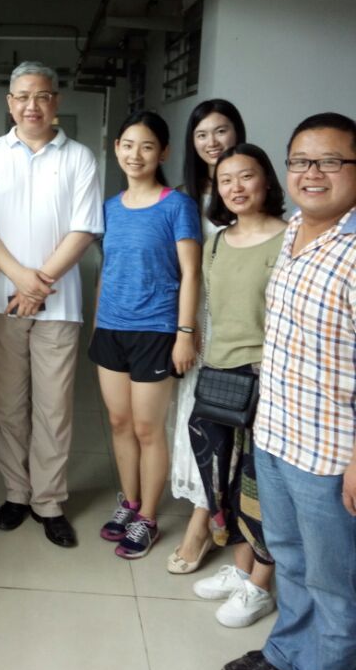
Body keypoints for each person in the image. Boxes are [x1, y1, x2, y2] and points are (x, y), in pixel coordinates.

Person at [222, 113, 356, 670]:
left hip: (331, 454)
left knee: (335, 582)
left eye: (331, 161)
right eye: (301, 161)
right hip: (277, 433)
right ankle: (289, 653)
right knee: (289, 560)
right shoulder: (296, 229)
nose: (313, 173)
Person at [0, 61, 102, 548]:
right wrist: (22, 279)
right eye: (22, 96)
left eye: (42, 96)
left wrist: (38, 285)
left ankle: (49, 501)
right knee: (9, 405)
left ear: (56, 101)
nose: (32, 105)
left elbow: (84, 228)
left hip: (60, 306)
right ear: (10, 102)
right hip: (1, 301)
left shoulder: (79, 157)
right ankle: (17, 494)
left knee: (54, 408)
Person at [90, 110, 201, 559]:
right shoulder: (110, 208)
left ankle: (149, 518)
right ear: (116, 148)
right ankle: (130, 503)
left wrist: (185, 333)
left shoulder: (177, 205)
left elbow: (191, 273)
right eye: (129, 145)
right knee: (119, 423)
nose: (136, 155)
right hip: (111, 328)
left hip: (156, 330)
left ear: (163, 153)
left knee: (147, 427)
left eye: (148, 146)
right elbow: (107, 269)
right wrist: (97, 322)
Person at [188, 144, 285, 626]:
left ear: (266, 180)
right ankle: (242, 569)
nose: (236, 187)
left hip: (267, 378)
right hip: (220, 375)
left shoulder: (290, 239)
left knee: (258, 484)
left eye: (246, 176)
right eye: (226, 180)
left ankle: (261, 585)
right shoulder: (216, 243)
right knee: (223, 480)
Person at [168, 99, 247, 574]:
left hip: (235, 318)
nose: (212, 142)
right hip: (194, 316)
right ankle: (210, 507)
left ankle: (204, 523)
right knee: (194, 414)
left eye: (221, 131)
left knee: (225, 417)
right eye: (202, 134)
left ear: (237, 133)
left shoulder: (246, 188)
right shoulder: (184, 196)